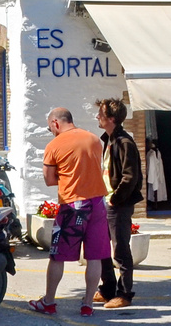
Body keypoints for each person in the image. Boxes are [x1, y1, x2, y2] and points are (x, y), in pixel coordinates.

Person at [30, 106, 110, 317]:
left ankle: (48, 301)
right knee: (95, 257)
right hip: (98, 203)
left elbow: (49, 180)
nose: (52, 132)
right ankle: (87, 304)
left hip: (73, 204)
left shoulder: (54, 145)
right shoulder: (94, 139)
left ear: (55, 123)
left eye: (50, 128)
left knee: (58, 256)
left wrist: (65, 177)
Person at [96, 98, 143, 310]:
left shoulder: (124, 142)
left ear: (111, 118)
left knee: (120, 249)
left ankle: (124, 293)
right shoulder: (109, 140)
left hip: (118, 204)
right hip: (106, 202)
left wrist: (115, 198)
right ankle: (107, 289)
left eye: (101, 114)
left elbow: (130, 176)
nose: (97, 117)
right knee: (102, 247)